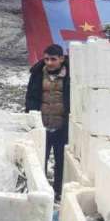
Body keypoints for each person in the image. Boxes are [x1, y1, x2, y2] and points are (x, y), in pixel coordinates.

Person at [25, 44, 70, 201]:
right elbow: (30, 96)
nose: (49, 63)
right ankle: (40, 191)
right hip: (42, 126)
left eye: (53, 59)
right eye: (46, 59)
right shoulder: (37, 74)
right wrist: (31, 117)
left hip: (61, 127)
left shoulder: (70, 75)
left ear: (62, 59)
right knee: (39, 160)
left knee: (61, 161)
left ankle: (58, 191)